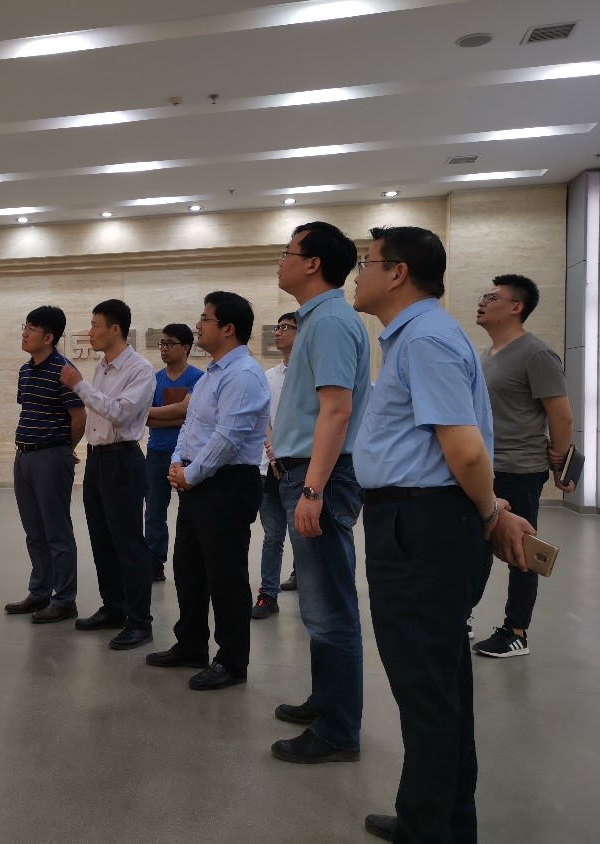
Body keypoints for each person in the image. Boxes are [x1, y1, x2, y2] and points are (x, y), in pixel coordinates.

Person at [351, 226, 534, 843]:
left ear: (398, 273)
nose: (359, 275)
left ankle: (431, 829)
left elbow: (466, 449)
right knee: (438, 681)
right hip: (421, 519)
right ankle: (439, 820)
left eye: (367, 262)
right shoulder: (421, 335)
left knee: (425, 688)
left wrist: (489, 513)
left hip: (421, 526)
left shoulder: (425, 338)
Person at [269, 221, 370, 764]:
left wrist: (313, 488)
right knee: (318, 602)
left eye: (287, 252)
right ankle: (326, 702)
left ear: (312, 264)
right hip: (307, 472)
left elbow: (337, 410)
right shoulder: (318, 320)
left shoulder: (329, 321)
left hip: (319, 476)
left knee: (330, 607)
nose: (280, 261)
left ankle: (338, 732)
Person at [144, 292, 268, 690]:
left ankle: (231, 662)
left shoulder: (243, 375)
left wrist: (191, 474)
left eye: (205, 319)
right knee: (189, 569)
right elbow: (190, 426)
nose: (198, 325)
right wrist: (178, 462)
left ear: (228, 328)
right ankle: (191, 644)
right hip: (198, 481)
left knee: (225, 575)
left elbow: (227, 439)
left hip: (228, 483)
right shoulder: (212, 374)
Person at [472, 274, 575, 659]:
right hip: (486, 468)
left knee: (520, 550)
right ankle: (463, 615)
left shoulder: (536, 354)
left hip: (520, 468)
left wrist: (562, 467)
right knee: (474, 545)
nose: (482, 302)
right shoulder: (488, 353)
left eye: (491, 297)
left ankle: (516, 631)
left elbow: (561, 416)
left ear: (516, 307)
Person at [59, 299, 156, 650]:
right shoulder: (102, 366)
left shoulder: (140, 369)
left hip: (123, 460)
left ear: (115, 329)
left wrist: (79, 386)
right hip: (98, 460)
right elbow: (97, 416)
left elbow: (118, 412)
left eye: (95, 325)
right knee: (101, 539)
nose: (90, 332)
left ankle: (140, 622)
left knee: (128, 543)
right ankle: (114, 608)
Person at [3, 307, 86, 623]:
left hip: (50, 457)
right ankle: (39, 592)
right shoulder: (25, 370)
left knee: (57, 532)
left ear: (49, 337)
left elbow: (79, 417)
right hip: (24, 456)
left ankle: (64, 600)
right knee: (34, 531)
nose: (25, 333)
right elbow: (29, 410)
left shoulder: (64, 371)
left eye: (32, 328)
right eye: (25, 326)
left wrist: (64, 449)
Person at [144, 323, 204, 582]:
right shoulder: (154, 379)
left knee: (191, 511)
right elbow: (145, 419)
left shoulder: (198, 378)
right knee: (154, 510)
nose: (164, 348)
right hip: (157, 452)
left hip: (188, 454)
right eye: (163, 343)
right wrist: (177, 416)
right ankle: (154, 561)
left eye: (170, 343)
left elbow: (188, 412)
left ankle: (192, 561)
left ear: (186, 348)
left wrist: (157, 414)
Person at [252, 311, 297, 620]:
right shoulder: (268, 377)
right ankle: (268, 594)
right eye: (277, 327)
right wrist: (272, 452)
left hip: (301, 467)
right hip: (269, 466)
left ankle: (309, 587)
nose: (278, 332)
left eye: (286, 327)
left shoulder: (310, 374)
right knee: (272, 536)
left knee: (304, 536)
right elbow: (263, 419)